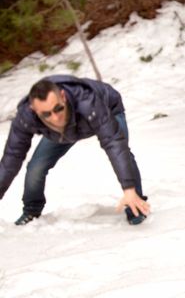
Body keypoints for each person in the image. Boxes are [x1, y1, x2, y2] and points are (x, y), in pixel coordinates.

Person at [0, 75, 150, 226]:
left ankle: (135, 205)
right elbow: (12, 157)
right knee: (36, 167)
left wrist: (129, 188)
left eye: (58, 108)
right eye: (46, 114)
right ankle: (31, 211)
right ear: (34, 110)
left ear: (63, 97)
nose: (55, 117)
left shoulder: (88, 102)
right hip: (61, 132)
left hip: (107, 110)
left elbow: (114, 145)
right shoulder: (25, 117)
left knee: (123, 152)